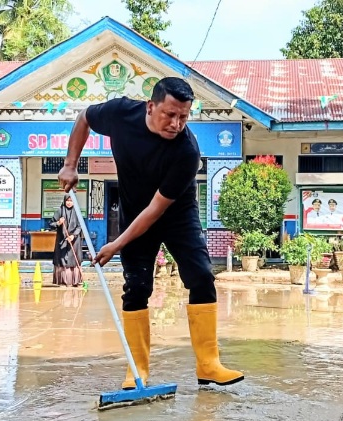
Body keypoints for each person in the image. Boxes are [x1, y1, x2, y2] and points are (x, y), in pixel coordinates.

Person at [58, 77, 244, 389]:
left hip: (177, 214)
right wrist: (70, 164)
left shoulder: (187, 152)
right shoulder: (120, 113)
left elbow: (156, 211)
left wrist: (116, 243)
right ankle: (137, 370)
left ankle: (209, 364)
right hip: (134, 211)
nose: (176, 124)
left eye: (184, 117)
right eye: (169, 115)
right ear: (150, 106)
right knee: (137, 287)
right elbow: (84, 118)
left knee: (201, 277)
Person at [49, 194, 82, 287]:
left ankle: (75, 281)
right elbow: (51, 224)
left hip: (74, 241)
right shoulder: (60, 211)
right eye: (67, 200)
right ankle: (63, 281)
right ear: (64, 201)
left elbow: (80, 226)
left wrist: (73, 235)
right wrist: (58, 222)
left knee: (74, 260)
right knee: (62, 260)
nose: (69, 202)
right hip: (62, 240)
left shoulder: (77, 212)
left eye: (71, 201)